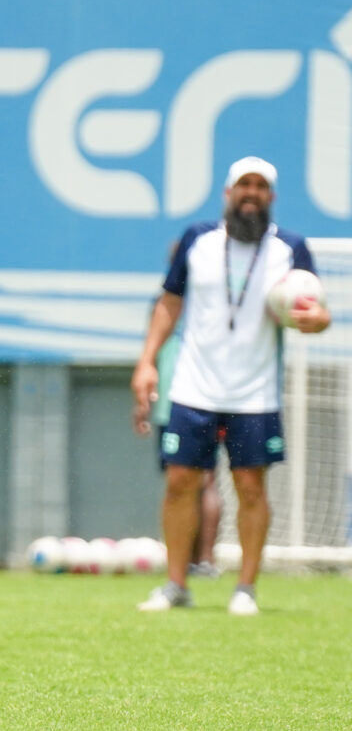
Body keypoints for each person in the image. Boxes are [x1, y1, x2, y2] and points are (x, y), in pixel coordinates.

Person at [131, 156, 329, 615]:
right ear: (228, 192)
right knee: (180, 482)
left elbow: (317, 312)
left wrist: (318, 320)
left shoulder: (292, 250)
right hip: (193, 385)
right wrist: (146, 363)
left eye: (261, 186)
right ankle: (177, 584)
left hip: (254, 391)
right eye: (244, 185)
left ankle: (245, 588)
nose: (252, 193)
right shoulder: (197, 241)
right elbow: (169, 304)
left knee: (251, 487)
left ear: (271, 197)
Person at [132, 249, 222, 578]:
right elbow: (150, 355)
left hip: (198, 398)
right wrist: (144, 397)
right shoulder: (169, 303)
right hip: (175, 400)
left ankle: (202, 559)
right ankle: (193, 561)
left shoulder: (200, 301)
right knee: (192, 482)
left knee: (199, 481)